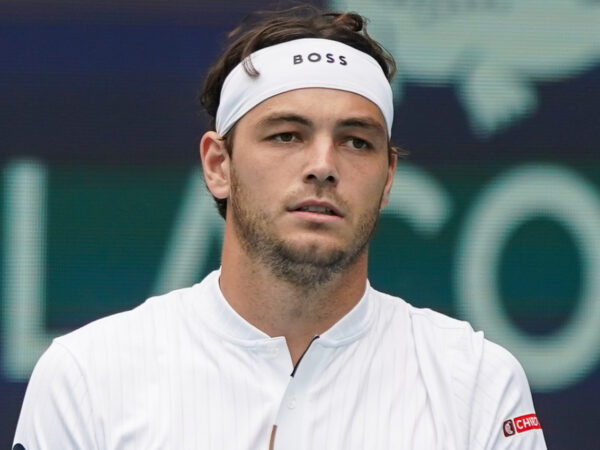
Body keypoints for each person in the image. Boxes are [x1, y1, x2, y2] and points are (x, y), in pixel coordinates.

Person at [13, 7, 547, 450]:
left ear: (387, 179)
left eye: (356, 140)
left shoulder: (476, 381)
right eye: (287, 135)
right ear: (218, 165)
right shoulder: (86, 376)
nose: (323, 164)